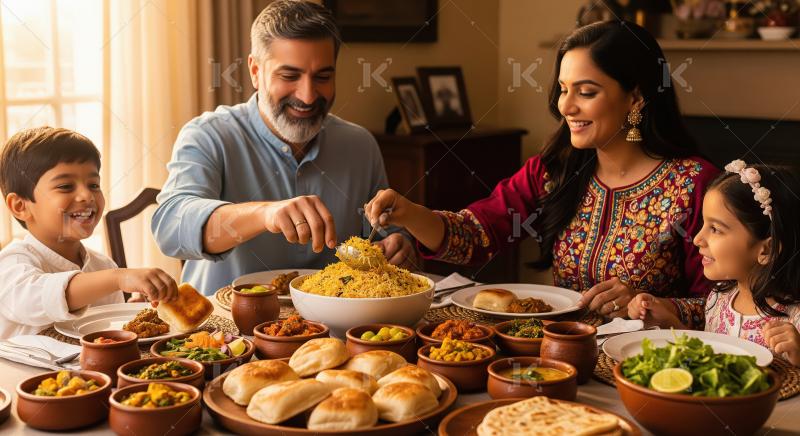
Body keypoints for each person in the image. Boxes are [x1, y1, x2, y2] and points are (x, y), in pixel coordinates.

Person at [364, 21, 718, 326]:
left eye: (587, 92)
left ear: (636, 97)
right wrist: (410, 213)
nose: (566, 105)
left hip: (650, 368)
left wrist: (648, 304)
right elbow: (477, 234)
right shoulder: (554, 170)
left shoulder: (693, 185)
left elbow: (724, 307)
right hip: (557, 350)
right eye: (563, 90)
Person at [151, 0, 415, 294]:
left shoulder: (360, 145)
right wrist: (266, 214)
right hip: (222, 330)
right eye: (289, 76)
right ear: (255, 71)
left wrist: (396, 245)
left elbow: (387, 232)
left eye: (323, 77)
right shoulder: (208, 135)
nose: (307, 95)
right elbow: (170, 228)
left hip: (332, 331)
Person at [0, 127, 178, 339]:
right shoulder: (12, 263)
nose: (87, 195)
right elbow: (37, 299)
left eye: (94, 185)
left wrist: (130, 318)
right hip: (23, 372)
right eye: (66, 186)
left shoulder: (102, 266)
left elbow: (106, 337)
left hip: (90, 372)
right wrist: (119, 277)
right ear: (20, 206)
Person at [629, 161, 800, 366]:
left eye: (716, 229)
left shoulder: (794, 319)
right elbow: (709, 361)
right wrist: (668, 322)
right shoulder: (719, 299)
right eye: (703, 224)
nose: (697, 239)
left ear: (766, 250)